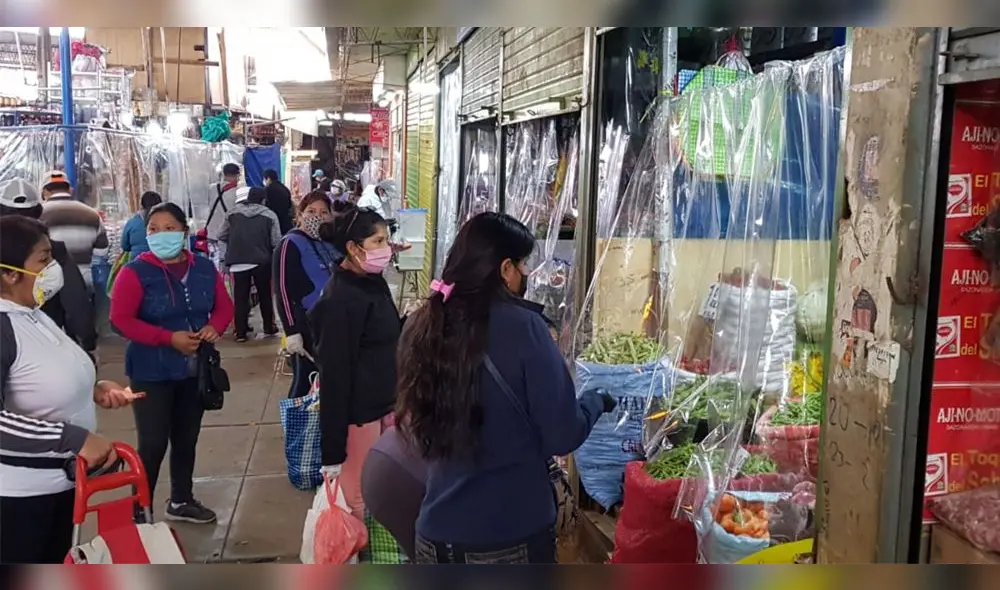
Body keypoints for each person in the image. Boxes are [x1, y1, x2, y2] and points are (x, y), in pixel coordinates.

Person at [395, 212, 615, 564]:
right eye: (523, 264)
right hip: (507, 539)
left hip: (433, 535)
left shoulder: (421, 325)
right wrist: (594, 402)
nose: (526, 274)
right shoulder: (526, 328)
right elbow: (562, 434)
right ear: (504, 269)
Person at [0, 215, 139, 564]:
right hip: (18, 497)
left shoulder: (32, 313)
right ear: (9, 273)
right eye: (43, 259)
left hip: (62, 485)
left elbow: (40, 375)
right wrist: (75, 439)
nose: (53, 268)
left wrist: (90, 388)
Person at [109, 202, 234, 524]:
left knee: (186, 438)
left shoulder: (204, 268)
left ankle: (181, 500)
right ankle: (141, 505)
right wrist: (168, 338)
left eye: (169, 228)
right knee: (152, 442)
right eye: (153, 229)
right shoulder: (134, 272)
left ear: (184, 232)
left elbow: (224, 307)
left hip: (194, 371)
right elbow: (120, 320)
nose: (160, 235)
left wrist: (213, 328)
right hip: (150, 371)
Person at [308, 205, 399, 520]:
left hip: (382, 408)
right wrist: (332, 450)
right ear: (353, 247)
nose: (386, 249)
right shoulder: (339, 300)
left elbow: (387, 335)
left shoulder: (373, 284)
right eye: (378, 241)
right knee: (356, 502)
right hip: (358, 418)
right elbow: (334, 376)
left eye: (387, 240)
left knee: (379, 494)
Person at [0, 178, 96, 363]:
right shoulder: (54, 251)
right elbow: (76, 303)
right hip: (44, 346)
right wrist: (86, 340)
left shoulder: (52, 251)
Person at [272, 191, 342, 399]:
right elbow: (282, 290)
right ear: (300, 214)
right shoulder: (289, 244)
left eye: (323, 212)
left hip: (333, 324)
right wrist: (292, 331)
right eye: (311, 211)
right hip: (306, 326)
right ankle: (297, 428)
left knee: (329, 383)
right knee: (305, 382)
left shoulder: (331, 243)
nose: (317, 216)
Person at [219, 187, 281, 343]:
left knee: (240, 296)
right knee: (265, 294)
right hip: (262, 262)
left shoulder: (231, 214)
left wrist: (224, 256)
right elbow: (276, 241)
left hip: (237, 262)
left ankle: (240, 332)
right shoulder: (269, 215)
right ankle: (268, 326)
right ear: (263, 199)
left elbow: (222, 235)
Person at [38, 170, 109, 292]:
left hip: (49, 287)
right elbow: (101, 254)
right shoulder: (92, 215)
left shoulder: (37, 216)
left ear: (44, 192)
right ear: (69, 190)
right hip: (84, 284)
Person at [205, 163, 242, 268]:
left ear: (223, 174)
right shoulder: (238, 192)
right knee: (226, 265)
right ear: (237, 175)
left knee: (213, 262)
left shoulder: (212, 188)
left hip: (212, 232)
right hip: (228, 234)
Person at [120, 191, 163, 262]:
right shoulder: (167, 222)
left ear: (142, 205)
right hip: (160, 263)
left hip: (137, 263)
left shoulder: (132, 223)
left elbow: (125, 246)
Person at [263, 169, 294, 235]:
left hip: (274, 222)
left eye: (264, 179)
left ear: (268, 179)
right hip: (286, 222)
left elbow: (265, 206)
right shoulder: (284, 188)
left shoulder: (268, 189)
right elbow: (289, 204)